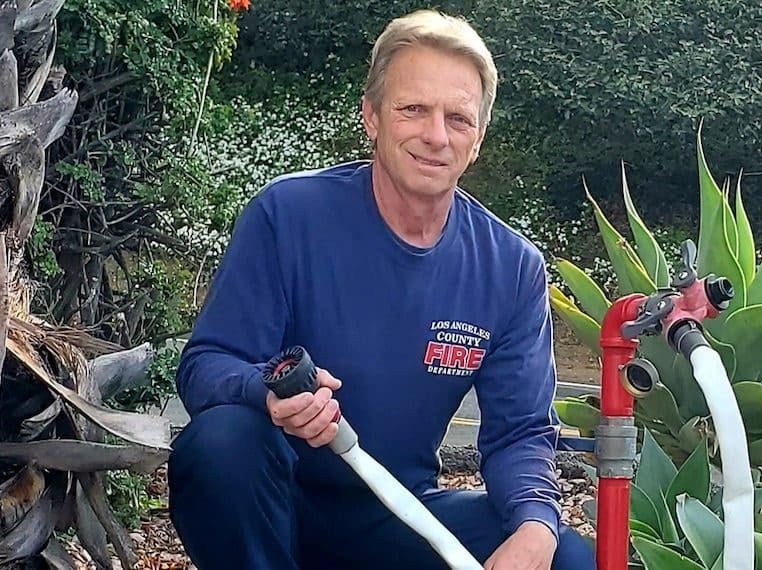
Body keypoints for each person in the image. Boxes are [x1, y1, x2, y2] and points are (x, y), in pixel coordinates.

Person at [166, 9, 596, 570]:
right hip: (274, 505)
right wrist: (265, 393)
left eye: (458, 119)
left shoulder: (511, 267)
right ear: (371, 117)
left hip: (398, 514)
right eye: (413, 109)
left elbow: (518, 433)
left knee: (562, 557)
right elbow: (204, 367)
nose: (436, 135)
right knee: (222, 442)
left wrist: (537, 525)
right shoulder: (289, 216)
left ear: (478, 140)